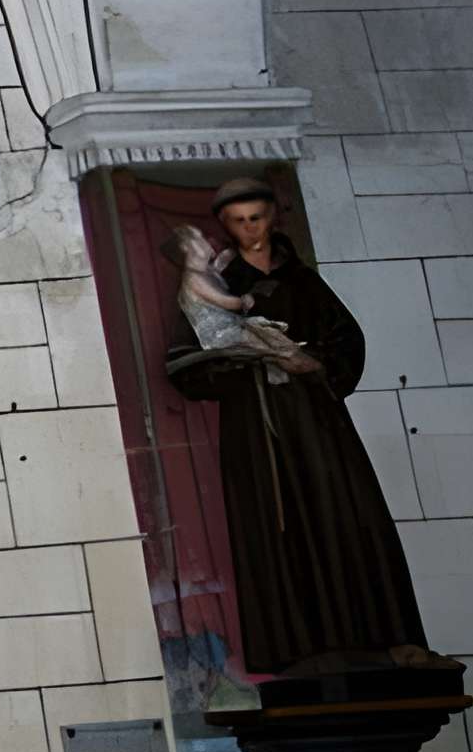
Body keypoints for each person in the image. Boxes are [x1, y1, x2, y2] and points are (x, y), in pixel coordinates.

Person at [167, 178, 431, 675]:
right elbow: (183, 364)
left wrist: (312, 364)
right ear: (226, 225)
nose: (250, 228)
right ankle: (300, 649)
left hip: (319, 424)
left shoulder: (304, 282)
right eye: (239, 220)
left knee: (346, 514)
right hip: (258, 431)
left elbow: (347, 342)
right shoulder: (219, 284)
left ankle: (375, 636)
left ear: (273, 217)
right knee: (276, 527)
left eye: (258, 216)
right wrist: (246, 358)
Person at [163, 222, 312, 370]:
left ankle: (297, 360)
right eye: (199, 238)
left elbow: (223, 270)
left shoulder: (208, 272)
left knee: (269, 333)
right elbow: (226, 302)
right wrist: (242, 301)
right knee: (265, 342)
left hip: (236, 324)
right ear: (186, 248)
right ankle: (296, 363)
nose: (206, 241)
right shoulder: (193, 279)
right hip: (221, 334)